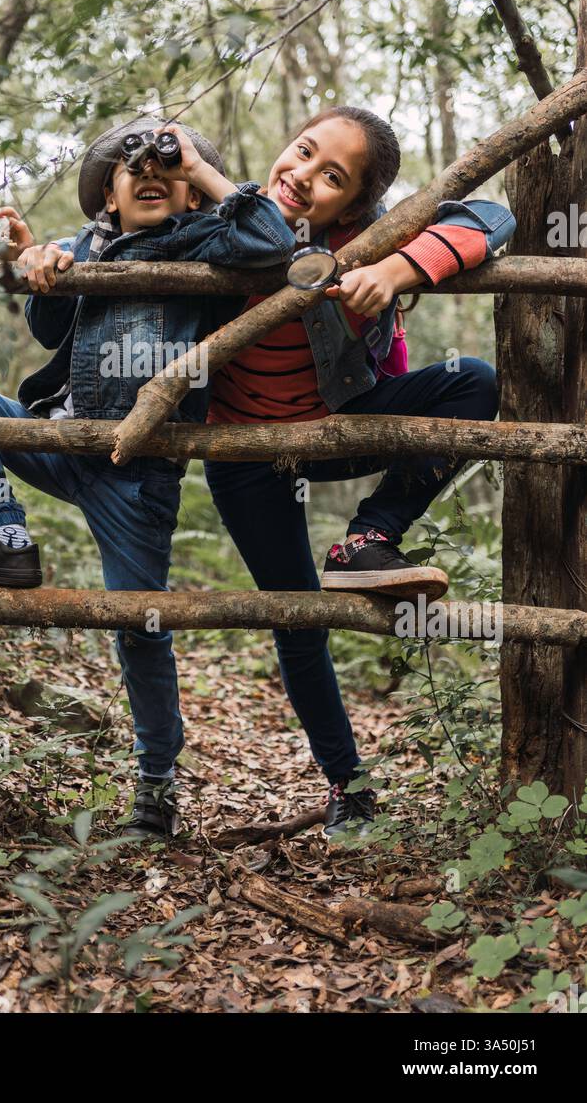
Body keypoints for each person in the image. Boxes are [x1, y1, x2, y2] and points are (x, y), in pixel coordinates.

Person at [0, 117, 296, 837]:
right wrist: (41, 266)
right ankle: (6, 536)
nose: (150, 170)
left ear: (188, 197)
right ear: (108, 197)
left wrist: (201, 176)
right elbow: (49, 330)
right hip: (63, 440)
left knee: (138, 628)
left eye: (168, 171)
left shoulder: (200, 238)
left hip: (136, 477)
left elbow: (273, 242)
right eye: (132, 167)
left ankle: (155, 789)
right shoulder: (85, 245)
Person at [203, 105, 516, 839]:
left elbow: (491, 217)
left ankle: (366, 540)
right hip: (242, 452)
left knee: (471, 380)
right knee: (297, 616)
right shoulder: (230, 215)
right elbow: (126, 230)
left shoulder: (372, 237)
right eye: (303, 151)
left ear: (357, 202)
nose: (303, 176)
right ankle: (350, 787)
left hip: (338, 425)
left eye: (332, 176)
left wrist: (399, 264)